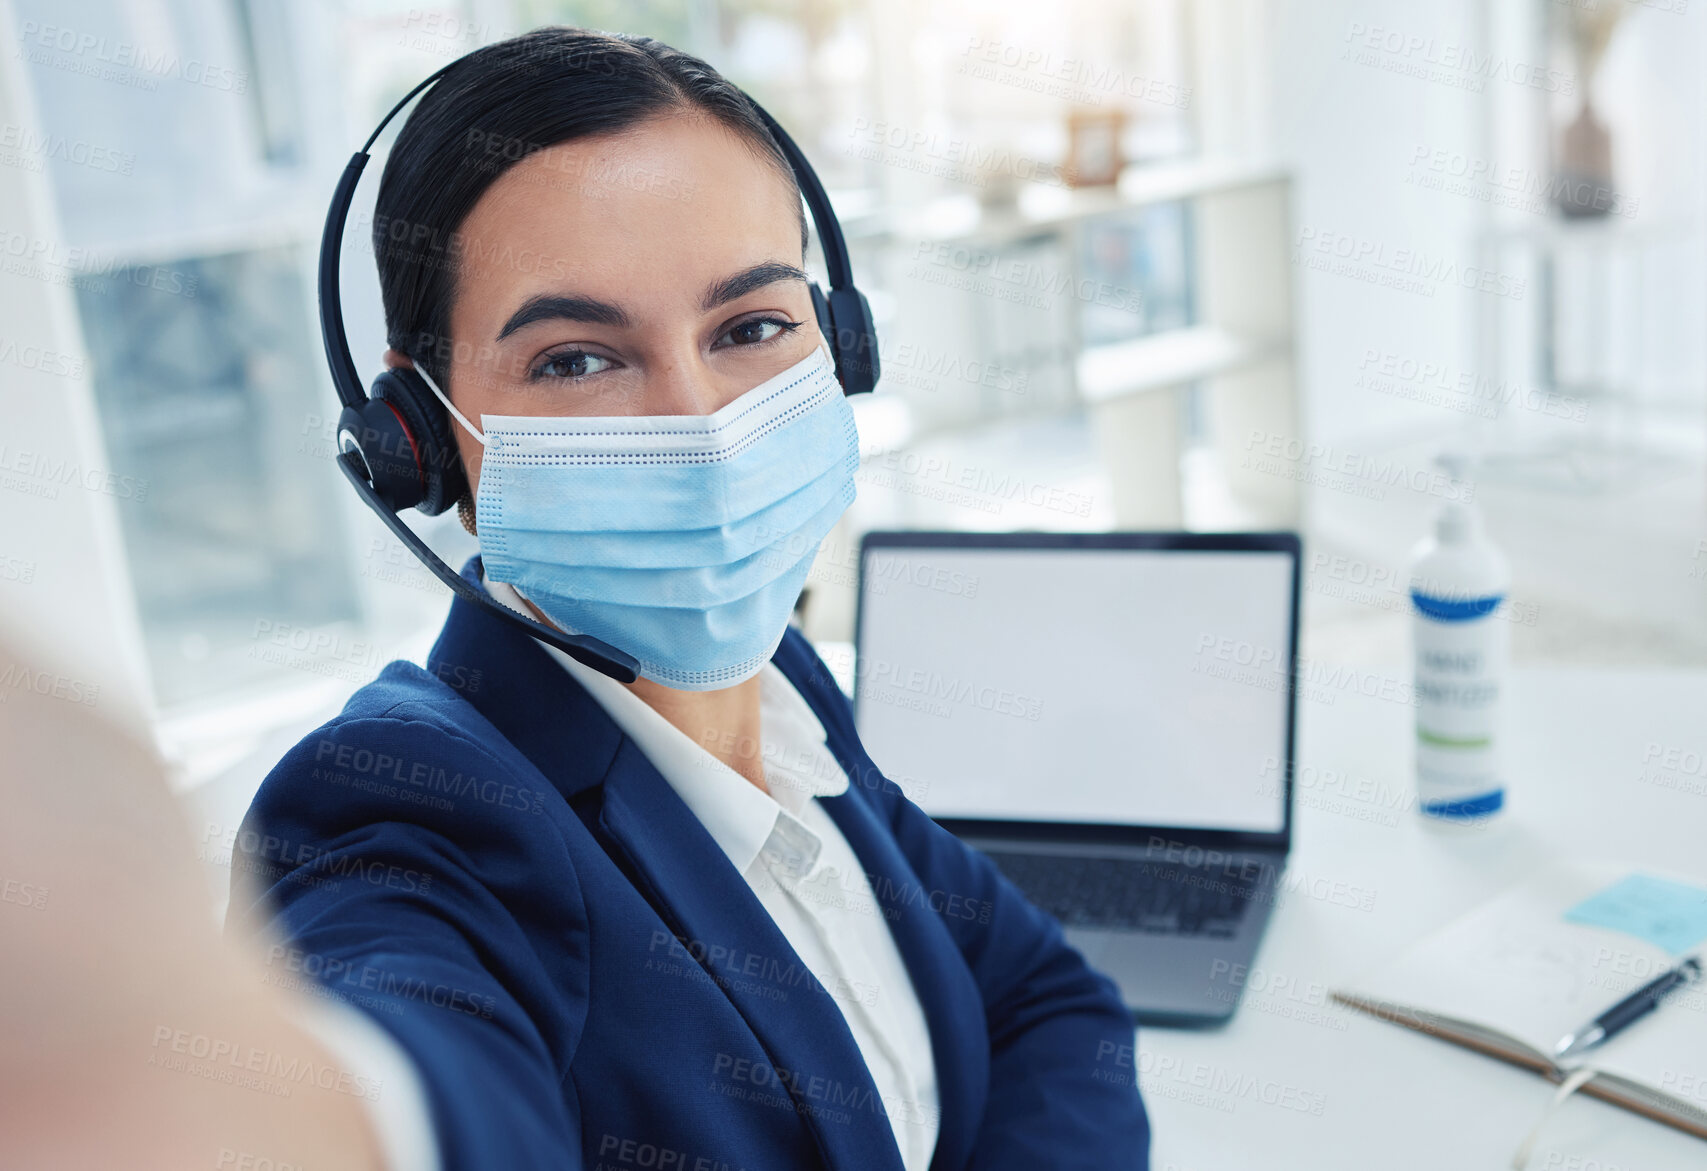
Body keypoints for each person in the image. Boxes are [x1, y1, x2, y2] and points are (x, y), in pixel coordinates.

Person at [226, 26, 1150, 1171]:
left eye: (752, 327)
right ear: (423, 447)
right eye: (575, 358)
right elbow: (403, 1063)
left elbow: (1045, 1003)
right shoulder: (395, 814)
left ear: (841, 347)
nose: (698, 424)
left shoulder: (779, 681)